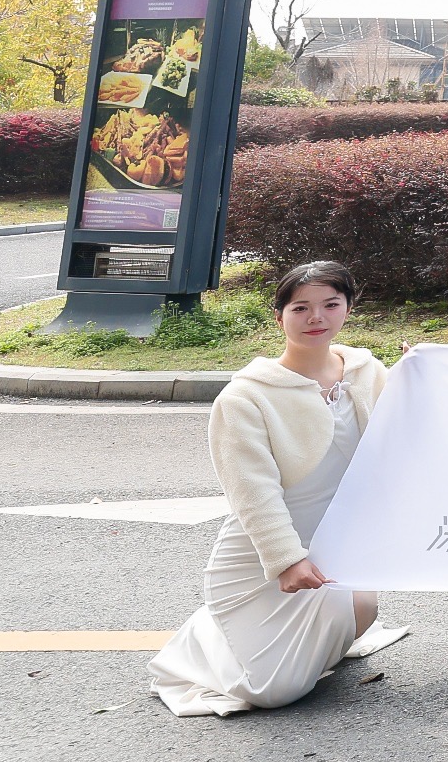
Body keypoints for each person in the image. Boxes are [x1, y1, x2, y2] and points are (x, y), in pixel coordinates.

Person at [150, 262, 398, 715]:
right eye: (300, 308)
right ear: (279, 316)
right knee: (271, 692)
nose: (316, 317)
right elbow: (251, 491)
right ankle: (203, 637)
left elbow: (405, 439)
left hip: (333, 546)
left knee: (361, 612)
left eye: (330, 305)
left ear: (348, 309)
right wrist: (286, 559)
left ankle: (324, 626)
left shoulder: (368, 373)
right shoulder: (246, 396)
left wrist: (422, 376)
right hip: (262, 557)